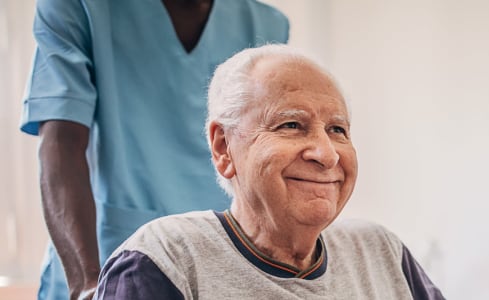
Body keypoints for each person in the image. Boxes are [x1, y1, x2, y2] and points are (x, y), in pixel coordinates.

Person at [93, 45, 445, 299]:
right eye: (291, 124)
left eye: (338, 130)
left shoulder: (381, 251)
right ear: (223, 147)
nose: (326, 154)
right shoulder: (165, 259)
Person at [19, 0, 289, 299]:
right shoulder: (80, 7)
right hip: (102, 259)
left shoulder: (267, 25)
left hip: (220, 261)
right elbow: (61, 141)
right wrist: (88, 285)